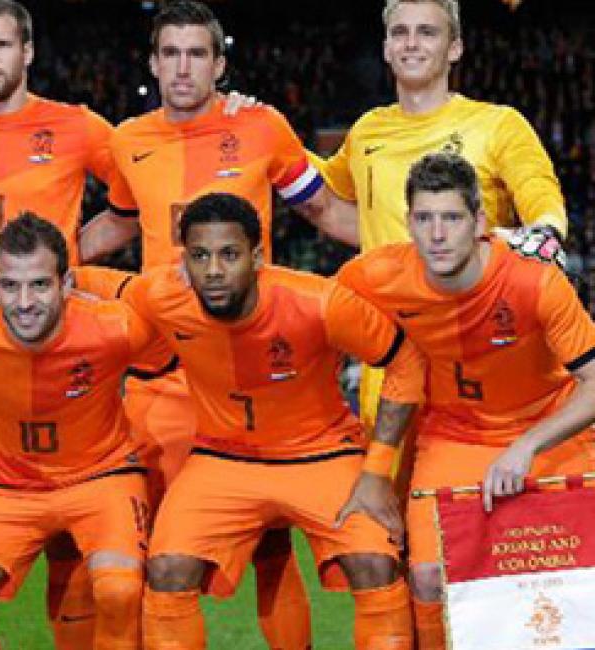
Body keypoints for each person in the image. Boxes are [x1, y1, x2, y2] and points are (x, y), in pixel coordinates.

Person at [78, 2, 354, 644]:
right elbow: (120, 223)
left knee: (271, 546)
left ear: (219, 64)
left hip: (251, 369)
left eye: (196, 54)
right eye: (170, 53)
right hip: (160, 371)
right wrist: (48, 261)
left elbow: (325, 213)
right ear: (152, 63)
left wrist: (420, 250)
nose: (183, 67)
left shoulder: (261, 126)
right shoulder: (128, 140)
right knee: (152, 548)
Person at [71, 192, 414, 648]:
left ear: (256, 256)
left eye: (229, 254)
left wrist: (376, 471)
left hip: (322, 454)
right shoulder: (164, 294)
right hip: (223, 459)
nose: (213, 270)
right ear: (184, 260)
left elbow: (405, 359)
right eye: (199, 256)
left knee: (375, 564)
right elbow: (87, 280)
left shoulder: (319, 302)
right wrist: (10, 284)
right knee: (167, 570)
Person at [334, 152, 595, 650]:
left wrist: (527, 446)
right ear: (409, 222)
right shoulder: (373, 276)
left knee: (571, 577)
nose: (437, 234)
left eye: (452, 218)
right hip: (455, 435)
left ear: (479, 223)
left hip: (548, 433)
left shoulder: (535, 282)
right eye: (424, 218)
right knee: (428, 575)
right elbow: (309, 317)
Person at [0, 212, 171, 649]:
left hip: (102, 478)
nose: (24, 302)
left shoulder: (115, 327)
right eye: (10, 285)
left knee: (120, 590)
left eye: (39, 284)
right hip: (9, 486)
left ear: (66, 284)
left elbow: (188, 333)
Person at [316, 0, 568, 437]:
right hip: (390, 358)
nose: (411, 43)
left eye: (427, 32)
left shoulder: (497, 124)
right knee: (384, 476)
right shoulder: (366, 132)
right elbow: (323, 195)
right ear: (386, 48)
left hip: (476, 354)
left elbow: (537, 187)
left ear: (455, 48)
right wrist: (259, 125)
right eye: (400, 33)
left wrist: (546, 229)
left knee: (472, 476)